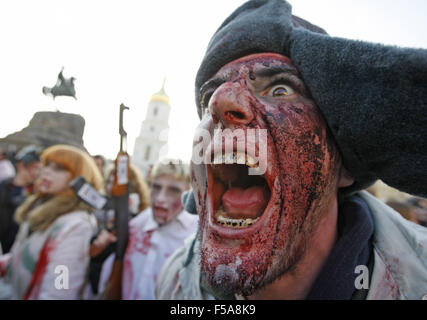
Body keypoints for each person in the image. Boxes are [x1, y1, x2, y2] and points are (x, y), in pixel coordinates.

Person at [156, 0, 427, 300]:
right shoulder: (174, 283)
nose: (220, 101)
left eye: (281, 89)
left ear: (344, 166)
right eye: (208, 95)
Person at [0, 144, 103, 299]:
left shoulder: (76, 226)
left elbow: (59, 290)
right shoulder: (38, 207)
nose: (46, 171)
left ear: (78, 179)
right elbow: (22, 258)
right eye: (47, 164)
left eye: (59, 168)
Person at [95, 160, 198, 300]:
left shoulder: (196, 236)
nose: (160, 198)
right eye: (156, 187)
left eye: (173, 191)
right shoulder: (136, 224)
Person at [0, 145, 41, 254]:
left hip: (16, 251)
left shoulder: (36, 194)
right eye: (35, 167)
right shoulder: (4, 186)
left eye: (39, 168)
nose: (38, 172)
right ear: (21, 165)